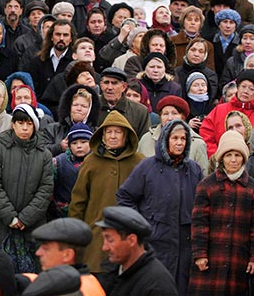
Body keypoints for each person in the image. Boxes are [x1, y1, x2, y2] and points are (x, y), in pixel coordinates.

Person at [117, 120, 203, 296]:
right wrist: (139, 225)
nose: (179, 143)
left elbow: (202, 206)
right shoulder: (147, 167)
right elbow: (125, 196)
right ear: (165, 140)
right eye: (175, 138)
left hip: (184, 246)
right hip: (154, 242)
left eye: (183, 138)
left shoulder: (194, 170)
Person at [69, 110, 144, 273]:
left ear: (126, 135)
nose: (113, 136)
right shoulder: (91, 161)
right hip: (96, 238)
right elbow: (78, 201)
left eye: (118, 132)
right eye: (108, 132)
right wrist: (76, 234)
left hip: (129, 236)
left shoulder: (139, 162)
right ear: (102, 135)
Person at [0, 104, 53, 272]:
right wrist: (11, 217)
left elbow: (45, 189)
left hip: (32, 227)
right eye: (21, 123)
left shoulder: (44, 154)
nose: (25, 128)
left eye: (29, 124)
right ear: (13, 124)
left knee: (30, 279)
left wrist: (25, 218)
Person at [188, 130, 254, 296]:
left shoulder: (251, 188)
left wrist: (253, 256)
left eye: (237, 155)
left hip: (238, 258)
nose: (233, 160)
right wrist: (200, 253)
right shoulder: (207, 185)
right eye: (228, 155)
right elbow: (199, 223)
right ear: (221, 158)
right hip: (210, 258)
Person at [95, 206, 178, 296]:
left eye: (110, 240)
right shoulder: (113, 273)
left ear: (132, 240)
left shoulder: (157, 285)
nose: (104, 247)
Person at [31, 218, 105, 296]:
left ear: (68, 255)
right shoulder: (87, 282)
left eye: (46, 249)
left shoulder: (74, 290)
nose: (38, 253)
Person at [138, 95, 208, 172]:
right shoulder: (146, 139)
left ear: (183, 117)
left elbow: (203, 177)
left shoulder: (197, 144)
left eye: (175, 113)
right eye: (165, 114)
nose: (170, 118)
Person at [201, 69, 254, 157]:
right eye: (243, 86)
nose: (246, 91)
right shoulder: (219, 109)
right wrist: (217, 157)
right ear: (238, 87)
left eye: (251, 89)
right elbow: (206, 134)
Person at [42, 84, 99, 157]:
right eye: (75, 105)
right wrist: (59, 147)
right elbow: (40, 150)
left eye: (84, 106)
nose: (79, 109)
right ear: (68, 107)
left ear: (90, 110)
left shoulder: (97, 133)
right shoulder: (52, 129)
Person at [24, 19, 76, 98]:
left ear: (71, 38)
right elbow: (33, 89)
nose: (61, 38)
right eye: (58, 34)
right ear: (51, 37)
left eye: (65, 35)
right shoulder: (37, 61)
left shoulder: (75, 63)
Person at [50, 123, 93, 219]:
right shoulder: (58, 162)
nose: (79, 146)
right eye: (74, 143)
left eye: (83, 142)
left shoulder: (98, 163)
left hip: (90, 214)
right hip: (62, 215)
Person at [97, 67, 150, 139]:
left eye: (114, 83)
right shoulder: (92, 105)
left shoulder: (140, 111)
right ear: (101, 85)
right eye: (106, 82)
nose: (109, 87)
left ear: (124, 87)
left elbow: (144, 139)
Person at [170, 6, 215, 71]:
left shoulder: (208, 45)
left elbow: (210, 71)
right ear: (183, 22)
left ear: (200, 24)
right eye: (189, 19)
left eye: (196, 20)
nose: (193, 23)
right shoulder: (171, 41)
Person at [220, 24, 254, 88]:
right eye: (245, 38)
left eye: (252, 39)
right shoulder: (232, 61)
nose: (248, 42)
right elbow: (224, 84)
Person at [212, 9, 241, 79]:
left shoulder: (241, 43)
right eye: (225, 22)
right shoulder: (210, 41)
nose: (228, 26)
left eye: (231, 22)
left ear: (235, 26)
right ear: (219, 24)